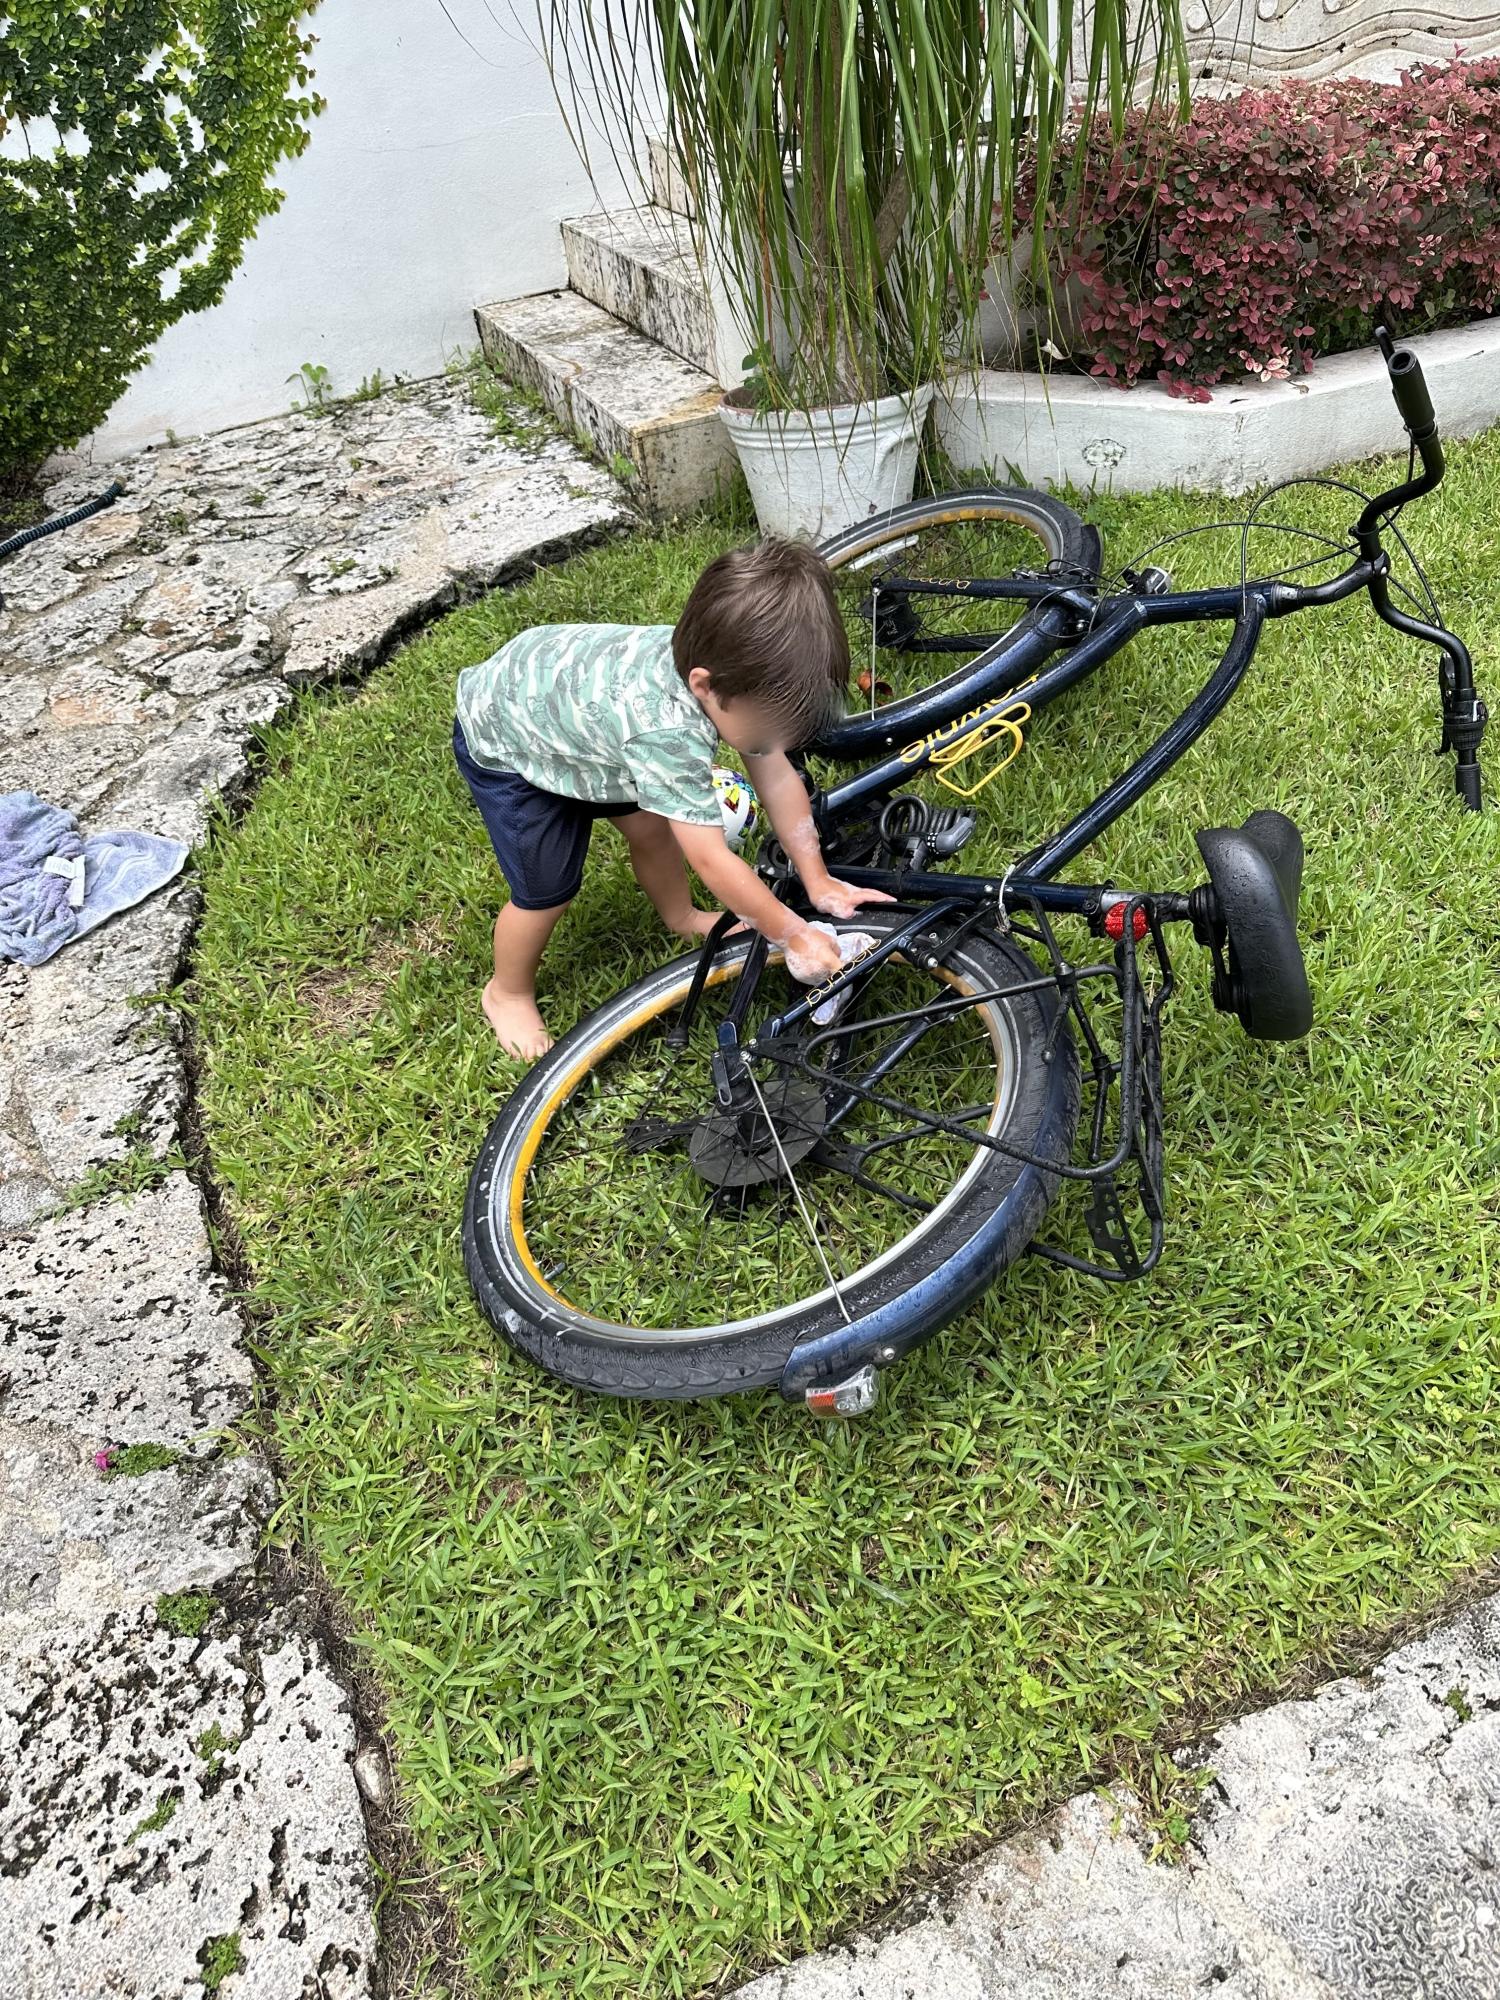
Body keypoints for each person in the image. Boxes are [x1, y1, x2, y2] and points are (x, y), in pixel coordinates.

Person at [453, 537, 894, 1057]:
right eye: (765, 728)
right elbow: (710, 858)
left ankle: (680, 917)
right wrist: (793, 934)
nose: (772, 742)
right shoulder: (666, 734)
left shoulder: (723, 666)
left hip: (588, 732)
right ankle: (506, 992)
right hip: (511, 741)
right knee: (546, 891)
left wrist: (817, 880)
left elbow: (776, 779)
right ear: (704, 687)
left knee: (650, 827)